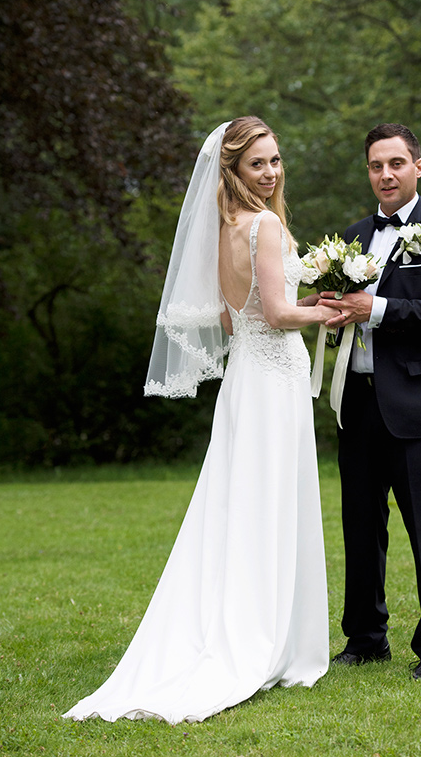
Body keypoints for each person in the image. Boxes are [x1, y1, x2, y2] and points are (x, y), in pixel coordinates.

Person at [63, 117, 340, 724]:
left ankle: (244, 623)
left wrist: (302, 301)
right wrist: (328, 310)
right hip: (271, 379)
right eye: (257, 164)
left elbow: (228, 318)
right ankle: (264, 639)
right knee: (267, 503)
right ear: (233, 171)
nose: (270, 173)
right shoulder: (265, 226)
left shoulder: (224, 228)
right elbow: (273, 311)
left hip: (247, 379)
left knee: (241, 502)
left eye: (274, 160)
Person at [318, 122, 421, 680]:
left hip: (417, 406)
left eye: (395, 164)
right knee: (360, 528)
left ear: (418, 167)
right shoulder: (353, 236)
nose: (385, 174)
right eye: (375, 166)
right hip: (357, 405)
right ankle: (364, 639)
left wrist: (376, 309)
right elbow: (343, 307)